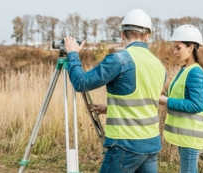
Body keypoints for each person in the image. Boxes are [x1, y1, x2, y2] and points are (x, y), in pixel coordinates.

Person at [64, 8, 166, 173]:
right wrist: (110, 108)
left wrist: (73, 55)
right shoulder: (158, 65)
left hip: (126, 144)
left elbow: (81, 83)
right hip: (151, 144)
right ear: (147, 36)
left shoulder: (119, 60)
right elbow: (144, 100)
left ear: (122, 35)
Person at [159, 24, 203, 173]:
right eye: (174, 47)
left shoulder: (195, 73)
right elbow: (179, 95)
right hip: (185, 135)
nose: (174, 51)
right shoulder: (185, 70)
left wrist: (165, 101)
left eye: (178, 47)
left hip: (191, 136)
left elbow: (196, 105)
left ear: (191, 47)